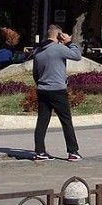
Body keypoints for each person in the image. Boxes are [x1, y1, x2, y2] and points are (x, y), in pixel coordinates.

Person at [31, 24, 83, 162]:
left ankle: (40, 151)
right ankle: (73, 151)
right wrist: (69, 42)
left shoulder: (38, 51)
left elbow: (35, 73)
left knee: (42, 121)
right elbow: (77, 56)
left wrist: (40, 83)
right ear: (59, 35)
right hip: (58, 90)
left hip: (42, 90)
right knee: (66, 121)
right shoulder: (59, 49)